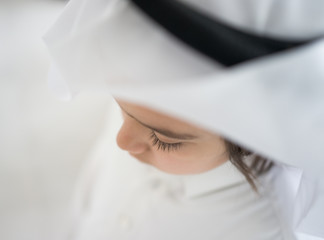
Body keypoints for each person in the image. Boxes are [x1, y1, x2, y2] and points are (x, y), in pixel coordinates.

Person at [44, 0, 324, 239]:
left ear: (252, 137)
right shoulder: (149, 113)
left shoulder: (260, 231)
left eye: (163, 140)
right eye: (121, 107)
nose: (122, 140)